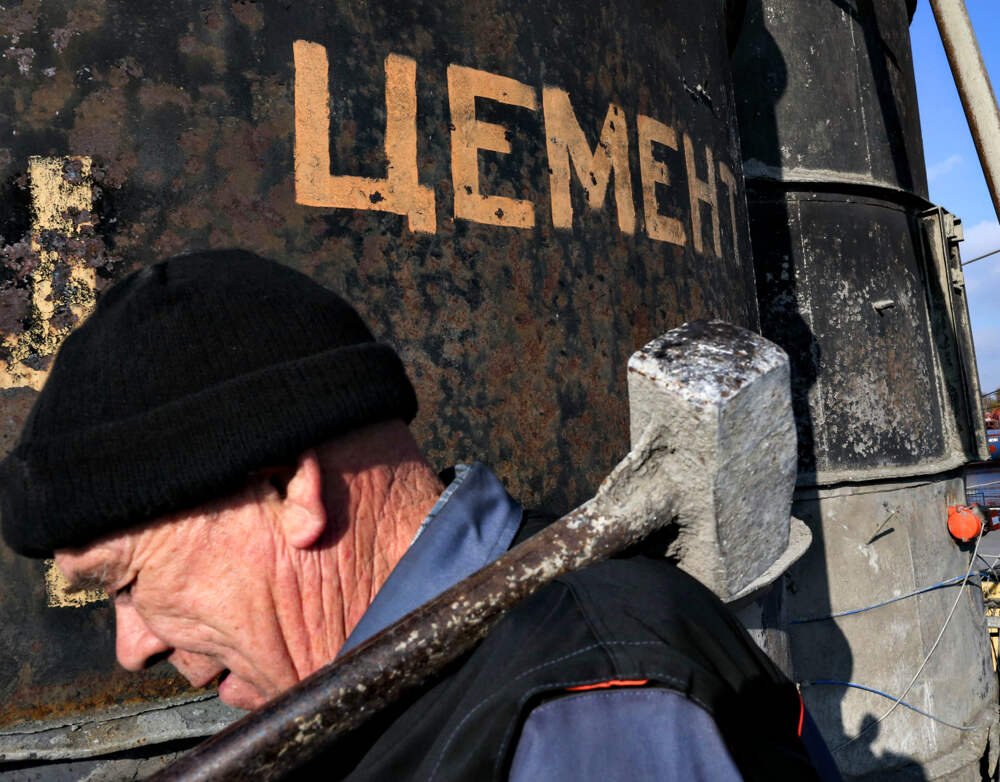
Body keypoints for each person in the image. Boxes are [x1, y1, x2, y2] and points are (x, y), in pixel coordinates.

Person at [0, 250, 837, 780]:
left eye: (125, 583)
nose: (132, 647)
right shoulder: (391, 704)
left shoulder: (583, 708)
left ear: (290, 490)